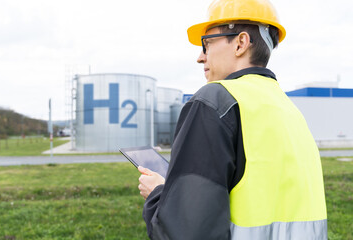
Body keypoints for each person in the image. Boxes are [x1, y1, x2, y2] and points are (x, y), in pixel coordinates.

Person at [138, 0, 327, 239]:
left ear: (240, 43)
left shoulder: (215, 101)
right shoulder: (289, 110)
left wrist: (158, 194)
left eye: (206, 44)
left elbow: (187, 230)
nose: (200, 57)